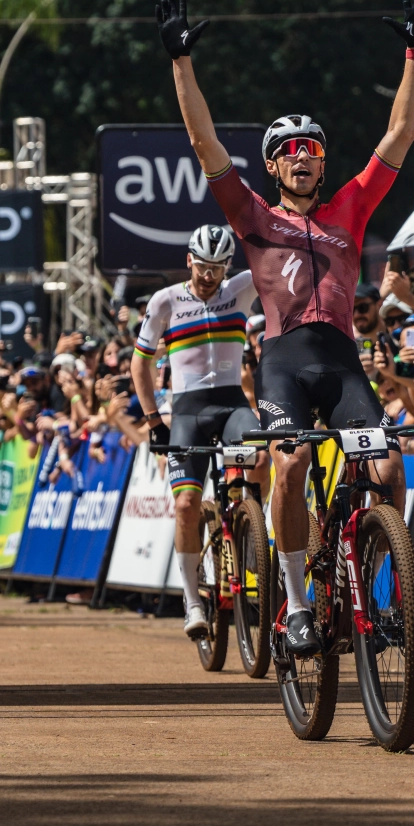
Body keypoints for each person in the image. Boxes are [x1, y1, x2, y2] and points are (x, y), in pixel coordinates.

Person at [158, 0, 414, 654]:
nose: (303, 155)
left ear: (323, 161)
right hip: (283, 363)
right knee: (290, 462)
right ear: (274, 165)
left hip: (341, 363)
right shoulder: (252, 215)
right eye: (290, 149)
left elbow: (400, 133)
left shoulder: (350, 209)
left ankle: (375, 591)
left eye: (312, 147)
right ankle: (299, 602)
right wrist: (180, 62)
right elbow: (202, 140)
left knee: (388, 469)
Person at [130, 224, 264, 639]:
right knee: (187, 504)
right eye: (202, 266)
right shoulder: (166, 300)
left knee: (260, 455)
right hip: (187, 411)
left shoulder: (241, 288)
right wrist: (154, 420)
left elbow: (279, 259)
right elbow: (140, 363)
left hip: (231, 405)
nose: (208, 276)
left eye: (218, 268)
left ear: (229, 266)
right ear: (189, 260)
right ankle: (191, 601)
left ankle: (253, 532)